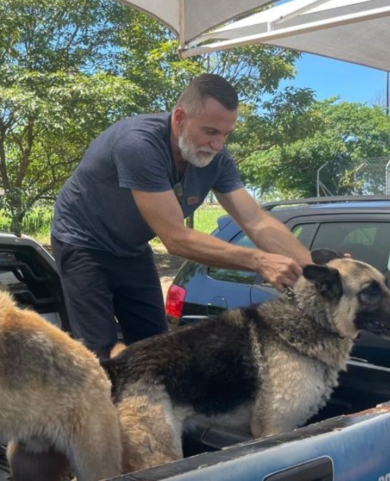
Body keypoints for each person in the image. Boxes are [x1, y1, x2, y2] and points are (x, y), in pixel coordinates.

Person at [51, 73, 312, 361]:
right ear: (179, 118)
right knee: (96, 353)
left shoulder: (217, 159)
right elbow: (175, 238)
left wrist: (316, 271)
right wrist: (259, 260)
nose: (218, 145)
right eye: (210, 131)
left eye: (226, 134)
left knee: (157, 350)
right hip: (83, 242)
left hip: (132, 248)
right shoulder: (138, 145)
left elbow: (256, 220)